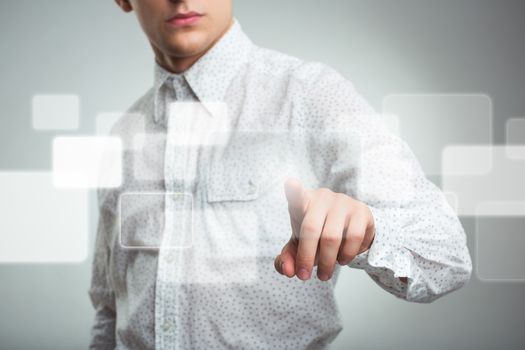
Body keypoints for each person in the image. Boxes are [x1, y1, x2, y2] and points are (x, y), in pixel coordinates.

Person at [89, 0, 472, 348]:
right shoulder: (122, 137)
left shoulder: (308, 95)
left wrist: (368, 228)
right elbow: (110, 308)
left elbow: (446, 255)